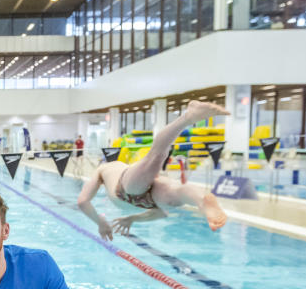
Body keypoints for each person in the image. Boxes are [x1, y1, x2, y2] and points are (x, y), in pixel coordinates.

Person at [78, 100, 229, 238]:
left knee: (155, 156)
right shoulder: (120, 166)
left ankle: (188, 117)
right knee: (177, 191)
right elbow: (161, 214)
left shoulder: (103, 168)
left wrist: (100, 222)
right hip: (152, 198)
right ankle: (202, 201)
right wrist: (132, 219)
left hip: (127, 191)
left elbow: (82, 202)